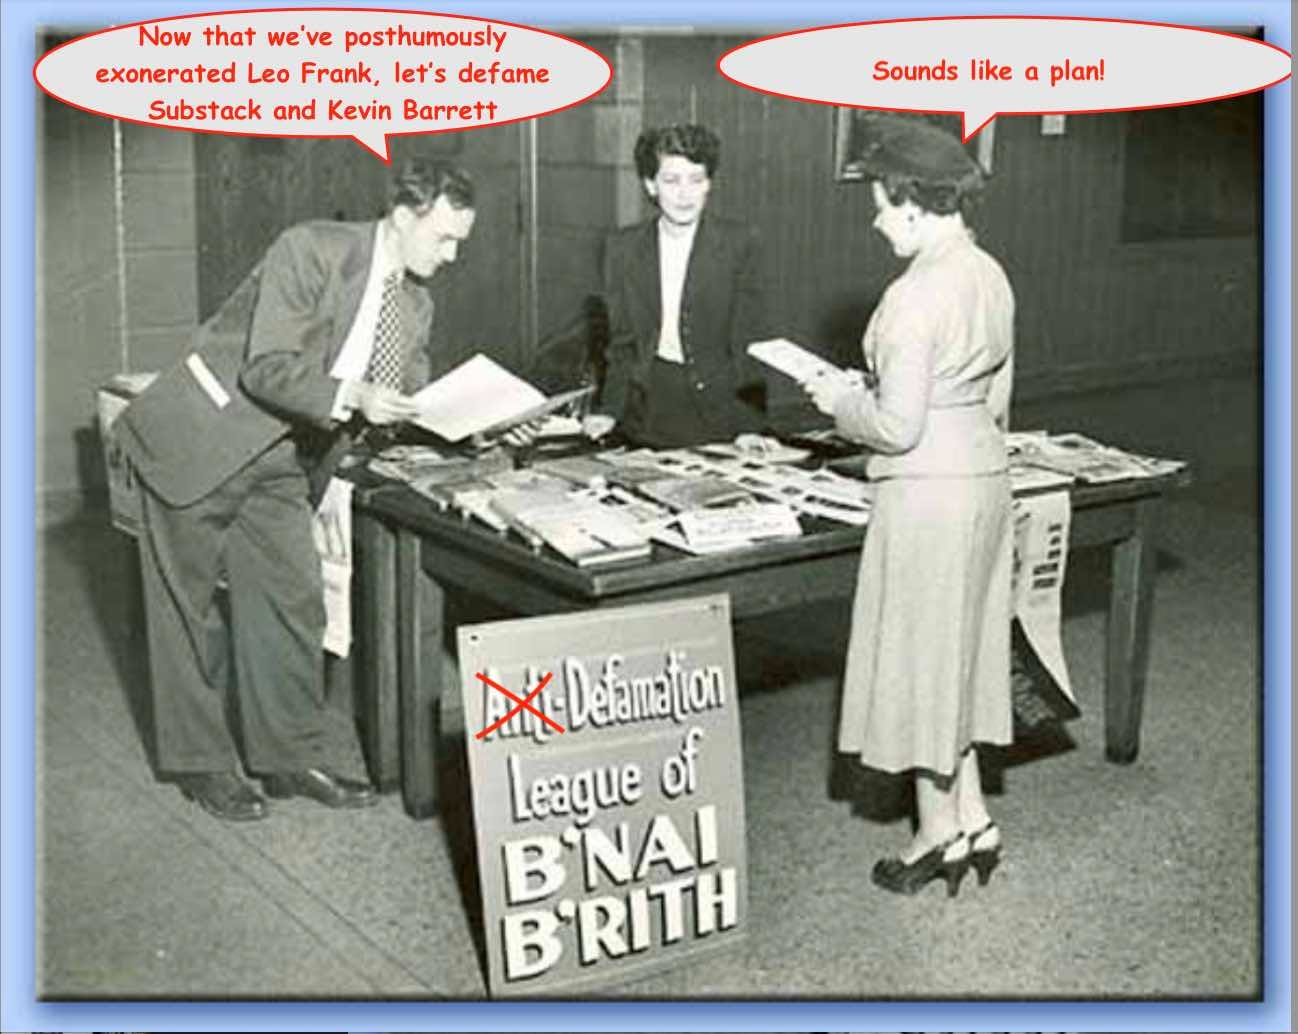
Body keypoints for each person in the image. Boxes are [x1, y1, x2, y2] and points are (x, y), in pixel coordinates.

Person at [117, 160, 479, 821]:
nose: (452, 256)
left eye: (460, 242)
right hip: (201, 438)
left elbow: (407, 402)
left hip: (283, 456)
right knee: (186, 613)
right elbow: (266, 367)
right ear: (404, 217)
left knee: (291, 601)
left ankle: (285, 756)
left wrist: (472, 421)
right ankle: (202, 764)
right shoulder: (311, 248)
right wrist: (355, 395)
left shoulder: (416, 304)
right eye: (444, 238)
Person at [805, 117, 1015, 896]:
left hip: (926, 493)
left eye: (884, 207)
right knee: (961, 652)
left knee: (924, 660)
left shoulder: (912, 295)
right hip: (983, 476)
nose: (877, 221)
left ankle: (934, 833)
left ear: (917, 207)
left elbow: (896, 426)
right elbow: (998, 395)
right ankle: (974, 814)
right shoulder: (989, 273)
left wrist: (839, 400)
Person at [534, 123, 772, 447]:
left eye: (696, 180)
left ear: (708, 184)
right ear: (650, 185)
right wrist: (609, 410)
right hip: (647, 407)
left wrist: (749, 425)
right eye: (671, 181)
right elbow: (622, 343)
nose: (685, 194)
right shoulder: (622, 248)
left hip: (721, 410)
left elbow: (748, 342)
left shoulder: (739, 244)